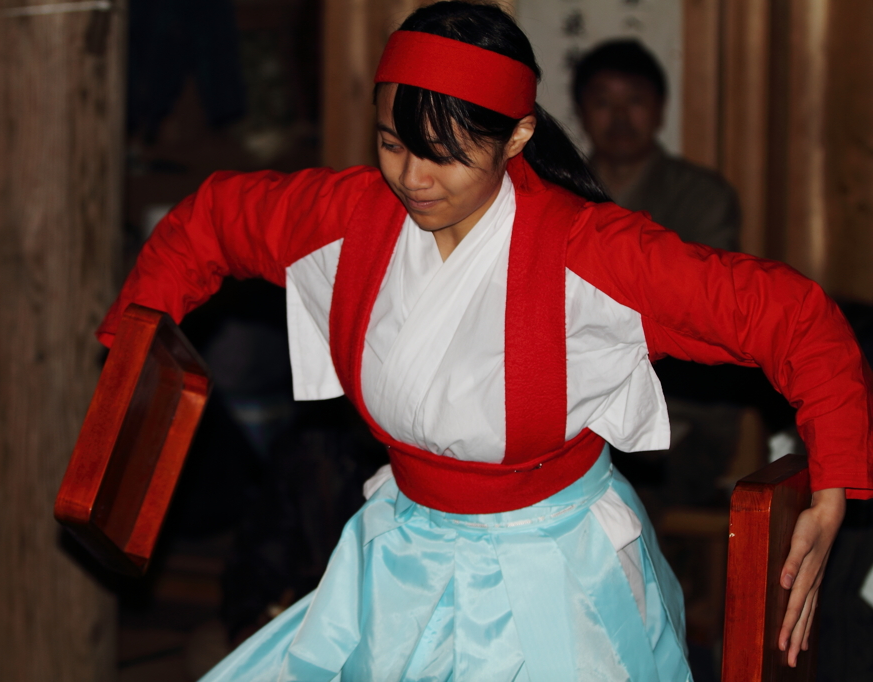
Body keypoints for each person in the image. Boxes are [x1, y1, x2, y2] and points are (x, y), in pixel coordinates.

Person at [98, 2, 872, 679]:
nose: (413, 180)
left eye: (445, 155)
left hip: (556, 569)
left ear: (517, 137)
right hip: (404, 549)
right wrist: (135, 361)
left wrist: (833, 480)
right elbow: (209, 221)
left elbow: (792, 314)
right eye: (392, 145)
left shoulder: (591, 254)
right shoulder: (349, 216)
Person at [574, 39, 739, 252]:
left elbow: (712, 280)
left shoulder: (703, 195)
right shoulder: (563, 189)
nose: (620, 116)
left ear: (660, 109)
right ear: (581, 114)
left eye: (635, 100)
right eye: (603, 102)